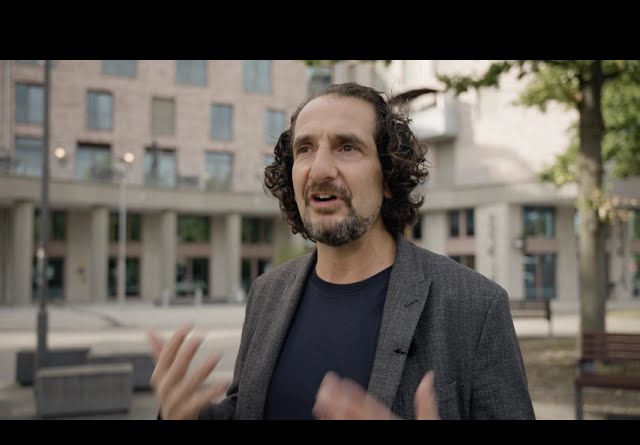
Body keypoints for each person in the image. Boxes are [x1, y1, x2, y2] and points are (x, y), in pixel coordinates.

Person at [148, 82, 536, 420]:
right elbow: (248, 408)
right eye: (305, 149)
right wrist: (188, 415)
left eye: (346, 147)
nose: (319, 169)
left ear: (388, 176)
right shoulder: (267, 293)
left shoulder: (474, 306)